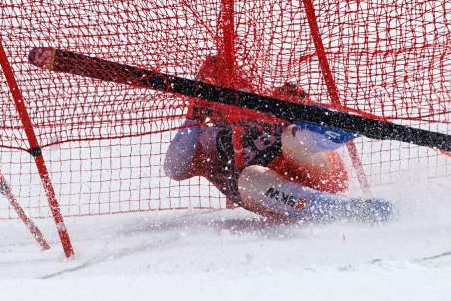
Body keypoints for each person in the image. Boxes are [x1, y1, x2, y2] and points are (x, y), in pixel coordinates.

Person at [164, 58, 393, 222]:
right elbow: (174, 168)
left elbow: (297, 125)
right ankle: (346, 211)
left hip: (321, 173)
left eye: (237, 86)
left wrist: (302, 109)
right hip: (283, 199)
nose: (230, 99)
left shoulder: (268, 106)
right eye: (216, 93)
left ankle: (335, 130)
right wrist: (191, 120)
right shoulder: (208, 140)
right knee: (250, 177)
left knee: (291, 136)